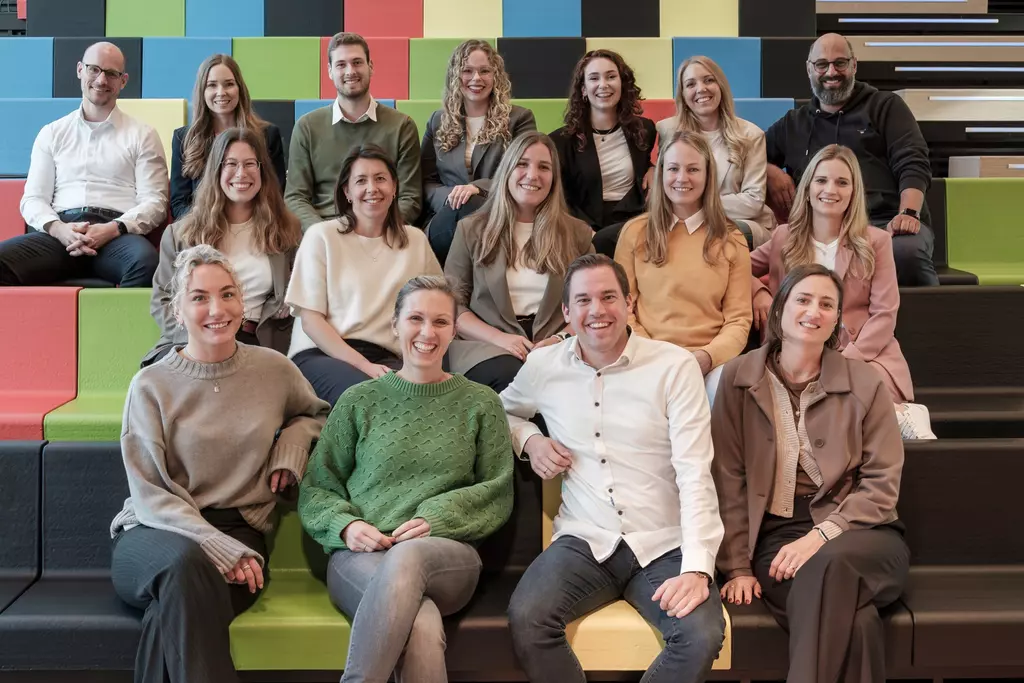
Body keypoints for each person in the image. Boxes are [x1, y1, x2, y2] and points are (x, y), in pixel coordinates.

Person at [110, 244, 329, 683]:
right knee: (182, 564)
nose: (217, 309)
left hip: (239, 530)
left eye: (227, 294)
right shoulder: (150, 384)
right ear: (177, 310)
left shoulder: (274, 369)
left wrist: (290, 446)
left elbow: (316, 414)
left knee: (169, 615)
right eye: (199, 297)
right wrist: (217, 548)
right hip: (155, 531)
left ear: (241, 301)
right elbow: (150, 493)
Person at [503, 254, 725, 683]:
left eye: (608, 297)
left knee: (699, 636)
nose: (597, 310)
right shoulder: (544, 367)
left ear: (629, 303)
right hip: (585, 538)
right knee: (528, 616)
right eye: (583, 300)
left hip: (665, 542)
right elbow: (501, 411)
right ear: (566, 312)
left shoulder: (674, 366)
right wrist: (530, 440)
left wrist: (698, 567)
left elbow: (695, 471)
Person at [298, 275, 514, 683]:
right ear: (394, 325)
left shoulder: (481, 403)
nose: (427, 333)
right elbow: (316, 488)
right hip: (360, 558)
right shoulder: (359, 400)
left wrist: (439, 516)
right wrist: (345, 525)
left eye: (440, 322)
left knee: (408, 556)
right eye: (416, 318)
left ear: (453, 330)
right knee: (422, 624)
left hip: (449, 557)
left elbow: (498, 489)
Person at [712, 263, 909, 683]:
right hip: (777, 539)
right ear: (780, 308)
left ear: (837, 319)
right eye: (803, 300)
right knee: (857, 622)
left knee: (829, 563)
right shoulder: (737, 378)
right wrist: (738, 567)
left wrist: (820, 536)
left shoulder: (865, 381)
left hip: (862, 533)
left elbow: (882, 483)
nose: (813, 311)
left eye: (826, 304)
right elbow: (727, 478)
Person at [750, 144, 935, 438]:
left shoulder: (875, 241)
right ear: (807, 188)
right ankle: (892, 415)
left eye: (842, 182)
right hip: (796, 348)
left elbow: (885, 313)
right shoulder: (784, 237)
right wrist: (758, 291)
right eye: (821, 180)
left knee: (849, 388)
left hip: (860, 351)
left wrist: (848, 357)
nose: (830, 190)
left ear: (853, 192)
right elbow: (733, 268)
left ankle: (902, 416)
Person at [763, 33, 938, 286]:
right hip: (822, 229)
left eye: (840, 63)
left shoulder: (886, 106)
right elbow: (749, 158)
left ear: (854, 65)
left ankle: (931, 313)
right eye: (821, 64)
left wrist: (908, 213)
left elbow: (913, 161)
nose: (831, 72)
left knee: (905, 253)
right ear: (809, 69)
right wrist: (771, 172)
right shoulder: (793, 124)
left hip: (885, 221)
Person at [0, 41, 167, 287]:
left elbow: (155, 202)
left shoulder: (143, 135)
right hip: (60, 235)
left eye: (111, 74)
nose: (101, 80)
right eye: (94, 69)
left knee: (146, 264)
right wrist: (59, 230)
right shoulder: (52, 133)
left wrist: (112, 229)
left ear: (123, 81)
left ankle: (114, 315)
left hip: (116, 236)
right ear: (80, 70)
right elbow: (33, 199)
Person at [286, 144, 442, 406]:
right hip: (322, 354)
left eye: (380, 179)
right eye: (361, 181)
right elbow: (311, 322)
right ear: (347, 192)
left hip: (389, 356)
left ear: (394, 187)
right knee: (371, 399)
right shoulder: (321, 236)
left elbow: (439, 306)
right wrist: (364, 366)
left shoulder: (415, 241)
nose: (372, 188)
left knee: (425, 404)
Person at [445, 130, 594, 395]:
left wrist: (559, 339)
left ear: (554, 178)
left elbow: (591, 303)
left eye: (544, 167)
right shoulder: (471, 230)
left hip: (556, 346)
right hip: (486, 345)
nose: (532, 175)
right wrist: (499, 339)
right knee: (513, 376)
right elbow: (451, 306)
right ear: (507, 171)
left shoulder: (577, 234)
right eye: (522, 164)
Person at [144, 128, 303, 366]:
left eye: (250, 164)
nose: (241, 173)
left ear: (262, 171)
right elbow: (162, 301)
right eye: (231, 164)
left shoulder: (286, 230)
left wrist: (288, 301)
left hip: (256, 342)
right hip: (192, 341)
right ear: (216, 170)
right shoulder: (180, 234)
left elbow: (300, 291)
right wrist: (200, 337)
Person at [615, 130, 752, 405]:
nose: (682, 178)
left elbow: (738, 320)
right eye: (673, 168)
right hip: (646, 356)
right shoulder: (635, 233)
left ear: (708, 175)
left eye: (693, 169)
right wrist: (652, 354)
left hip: (710, 363)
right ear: (661, 173)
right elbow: (622, 308)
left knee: (719, 397)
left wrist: (706, 357)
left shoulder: (732, 239)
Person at [287, 32, 422, 230]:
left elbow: (410, 197)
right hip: (324, 231)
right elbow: (295, 197)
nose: (350, 71)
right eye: (341, 65)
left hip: (383, 232)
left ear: (370, 67)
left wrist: (376, 233)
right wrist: (323, 235)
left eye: (357, 62)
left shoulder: (402, 126)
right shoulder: (306, 127)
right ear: (330, 71)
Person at [420, 39, 537, 265]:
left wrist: (477, 189)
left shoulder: (519, 119)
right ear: (456, 76)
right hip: (446, 220)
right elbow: (426, 181)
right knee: (462, 210)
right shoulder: (437, 121)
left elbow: (523, 174)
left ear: (496, 76)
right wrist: (453, 197)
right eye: (467, 71)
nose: (476, 78)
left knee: (473, 210)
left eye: (484, 71)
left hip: (496, 215)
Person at [657, 55, 775, 249]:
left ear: (721, 86)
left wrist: (694, 204)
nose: (701, 89)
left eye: (708, 80)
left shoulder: (751, 135)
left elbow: (753, 201)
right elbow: (663, 190)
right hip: (682, 223)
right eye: (690, 84)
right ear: (683, 94)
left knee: (710, 236)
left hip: (738, 223)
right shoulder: (666, 131)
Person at [550, 50, 656, 258]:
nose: (603, 84)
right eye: (594, 78)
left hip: (634, 226)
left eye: (611, 76)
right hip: (584, 231)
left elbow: (645, 167)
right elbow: (560, 197)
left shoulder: (645, 130)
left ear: (622, 83)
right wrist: (582, 230)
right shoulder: (560, 141)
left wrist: (654, 168)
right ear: (583, 89)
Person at [170, 54, 286, 221]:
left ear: (240, 89)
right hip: (203, 226)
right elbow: (179, 204)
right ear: (202, 91)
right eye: (212, 85)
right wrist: (207, 222)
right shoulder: (183, 139)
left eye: (229, 84)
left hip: (255, 226)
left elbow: (275, 196)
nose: (221, 92)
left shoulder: (267, 135)